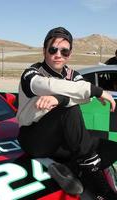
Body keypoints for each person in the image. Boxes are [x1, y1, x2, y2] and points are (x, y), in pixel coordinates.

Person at [17, 27, 117, 199]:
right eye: (53, 49)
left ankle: (71, 169)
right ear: (44, 51)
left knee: (112, 149)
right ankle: (99, 189)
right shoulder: (31, 73)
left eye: (64, 51)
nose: (58, 55)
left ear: (69, 54)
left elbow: (84, 98)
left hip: (59, 139)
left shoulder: (73, 75)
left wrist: (59, 100)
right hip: (33, 138)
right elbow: (48, 86)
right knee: (69, 111)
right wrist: (95, 90)